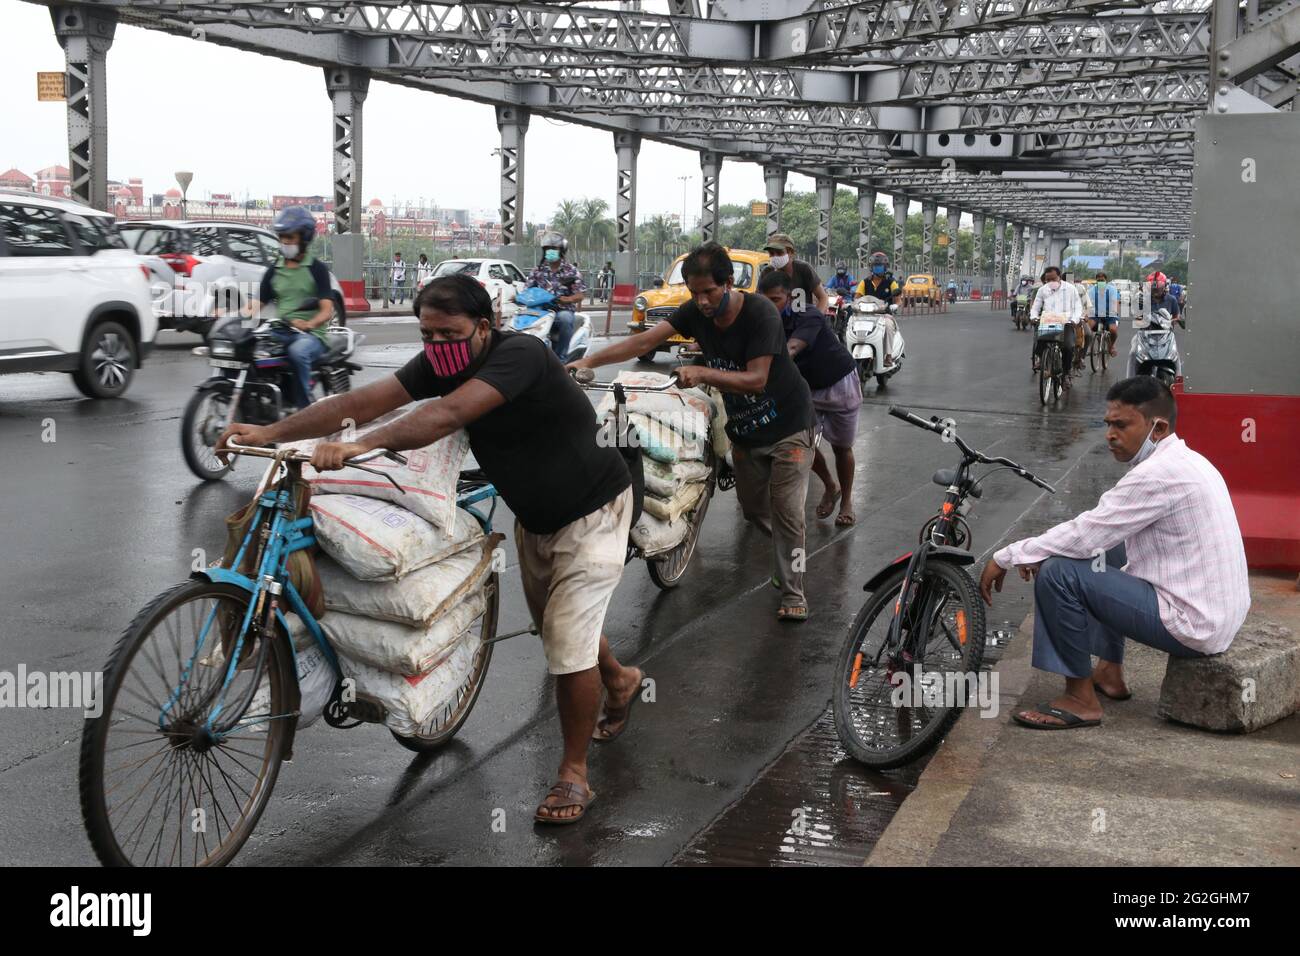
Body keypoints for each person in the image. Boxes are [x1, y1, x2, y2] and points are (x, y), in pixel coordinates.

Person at [218, 274, 644, 825]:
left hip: (594, 511)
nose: (437, 347)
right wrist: (273, 433)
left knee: (566, 643)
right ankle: (620, 678)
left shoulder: (522, 356)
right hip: (536, 521)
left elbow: (443, 415)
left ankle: (574, 774)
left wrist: (359, 446)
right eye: (427, 335)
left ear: (484, 328)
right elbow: (362, 401)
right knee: (563, 634)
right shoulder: (439, 362)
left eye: (449, 334)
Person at [979, 377, 1249, 729]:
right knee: (1101, 549)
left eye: (1121, 425)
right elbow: (1097, 535)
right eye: (1108, 424)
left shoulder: (1157, 475)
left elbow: (1086, 533)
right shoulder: (1188, 460)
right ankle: (1109, 671)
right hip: (1216, 612)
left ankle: (1080, 699)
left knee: (1060, 572)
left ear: (1158, 427)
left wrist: (1009, 555)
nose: (1109, 434)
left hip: (1194, 623)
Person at [573, 242, 816, 622]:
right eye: (694, 292)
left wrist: (702, 373)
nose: (701, 301)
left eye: (709, 292)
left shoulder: (760, 313)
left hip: (790, 428)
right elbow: (644, 341)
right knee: (754, 511)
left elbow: (756, 380)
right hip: (747, 433)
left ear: (729, 283)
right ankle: (787, 549)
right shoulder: (694, 312)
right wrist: (590, 360)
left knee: (788, 514)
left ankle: (794, 589)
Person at [759, 269, 861, 527]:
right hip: (806, 389)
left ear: (791, 297)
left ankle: (847, 501)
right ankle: (830, 485)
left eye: (775, 300)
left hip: (839, 383)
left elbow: (791, 349)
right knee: (801, 442)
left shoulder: (810, 315)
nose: (769, 306)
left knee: (841, 447)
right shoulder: (764, 318)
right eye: (764, 300)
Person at [240, 205, 334, 410]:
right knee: (246, 349)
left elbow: (327, 310)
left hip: (310, 336)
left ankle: (305, 409)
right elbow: (257, 303)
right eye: (282, 237)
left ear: (304, 238)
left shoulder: (317, 269)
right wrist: (231, 317)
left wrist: (309, 324)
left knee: (298, 351)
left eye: (290, 238)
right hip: (280, 330)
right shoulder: (275, 269)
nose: (285, 242)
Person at [525, 231, 586, 359]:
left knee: (565, 319)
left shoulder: (571, 271)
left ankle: (560, 358)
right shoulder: (538, 270)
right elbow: (527, 290)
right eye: (547, 249)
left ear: (562, 250)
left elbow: (580, 295)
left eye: (553, 248)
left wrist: (568, 299)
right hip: (540, 311)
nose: (550, 251)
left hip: (562, 310)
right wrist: (519, 298)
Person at [1029, 266, 1082, 384]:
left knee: (1068, 347)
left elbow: (1078, 307)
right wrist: (1033, 317)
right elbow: (1036, 306)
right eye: (1048, 280)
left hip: (1066, 322)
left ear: (1059, 276)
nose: (1051, 282)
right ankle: (1044, 362)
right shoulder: (1042, 290)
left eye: (1053, 279)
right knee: (1040, 342)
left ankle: (1066, 373)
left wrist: (1074, 319)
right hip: (1048, 320)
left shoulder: (1070, 289)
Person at [854, 252, 902, 365]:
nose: (878, 268)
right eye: (875, 266)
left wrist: (895, 305)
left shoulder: (891, 282)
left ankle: (888, 355)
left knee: (889, 326)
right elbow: (857, 297)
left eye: (880, 266)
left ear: (885, 267)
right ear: (871, 267)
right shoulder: (864, 282)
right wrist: (853, 304)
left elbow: (898, 299)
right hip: (865, 315)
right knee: (852, 325)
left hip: (883, 314)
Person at [763, 232, 829, 313]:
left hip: (802, 322)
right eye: (771, 253)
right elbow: (759, 300)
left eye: (779, 252)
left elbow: (823, 298)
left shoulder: (803, 269)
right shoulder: (767, 272)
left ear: (790, 252)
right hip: (776, 322)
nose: (775, 257)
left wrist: (816, 320)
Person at [1088, 272, 1121, 357]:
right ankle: (1088, 347)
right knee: (1087, 329)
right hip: (1096, 314)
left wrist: (1114, 311)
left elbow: (1116, 302)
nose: (1100, 282)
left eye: (1102, 280)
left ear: (1106, 281)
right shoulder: (1091, 290)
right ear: (1096, 281)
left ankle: (1111, 346)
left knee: (1113, 330)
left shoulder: (1112, 289)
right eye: (1098, 280)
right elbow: (1088, 303)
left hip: (1110, 314)